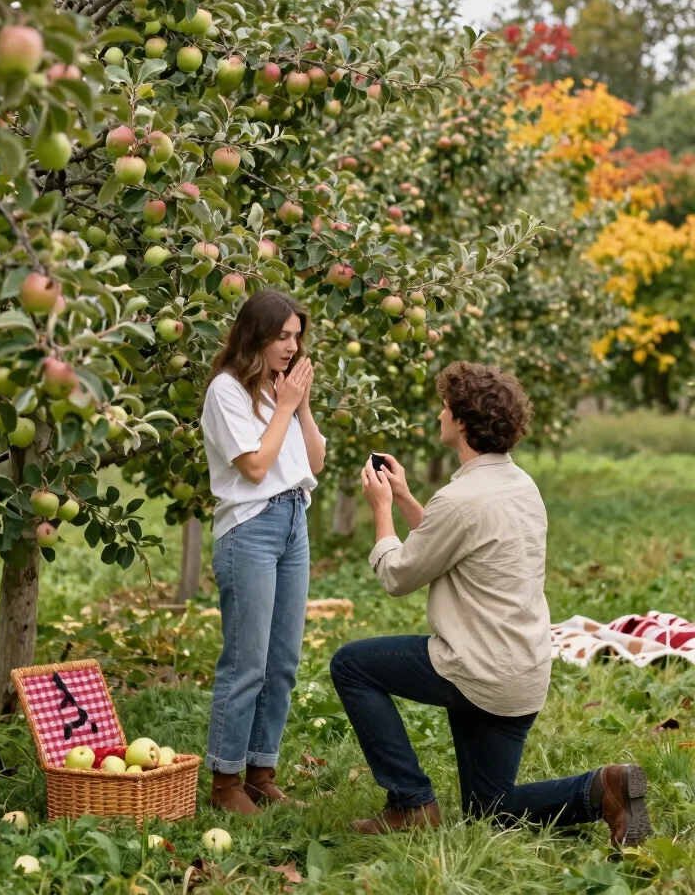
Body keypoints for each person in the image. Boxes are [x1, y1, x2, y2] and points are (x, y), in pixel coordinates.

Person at [330, 360, 652, 846]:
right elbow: (449, 540)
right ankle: (602, 788)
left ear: (461, 421)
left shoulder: (461, 499)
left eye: (444, 406)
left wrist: (379, 511)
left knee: (351, 665)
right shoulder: (520, 486)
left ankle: (410, 802)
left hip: (475, 668)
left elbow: (399, 575)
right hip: (521, 670)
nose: (439, 414)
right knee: (491, 810)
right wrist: (404, 497)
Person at [201, 289, 326, 814]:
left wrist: (302, 406)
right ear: (256, 336)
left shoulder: (282, 392)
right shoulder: (226, 391)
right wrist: (286, 408)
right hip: (250, 528)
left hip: (294, 520)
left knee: (283, 663)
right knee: (246, 661)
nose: (292, 347)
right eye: (283, 336)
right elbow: (253, 466)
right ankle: (225, 782)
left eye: (297, 336)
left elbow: (313, 461)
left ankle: (261, 772)